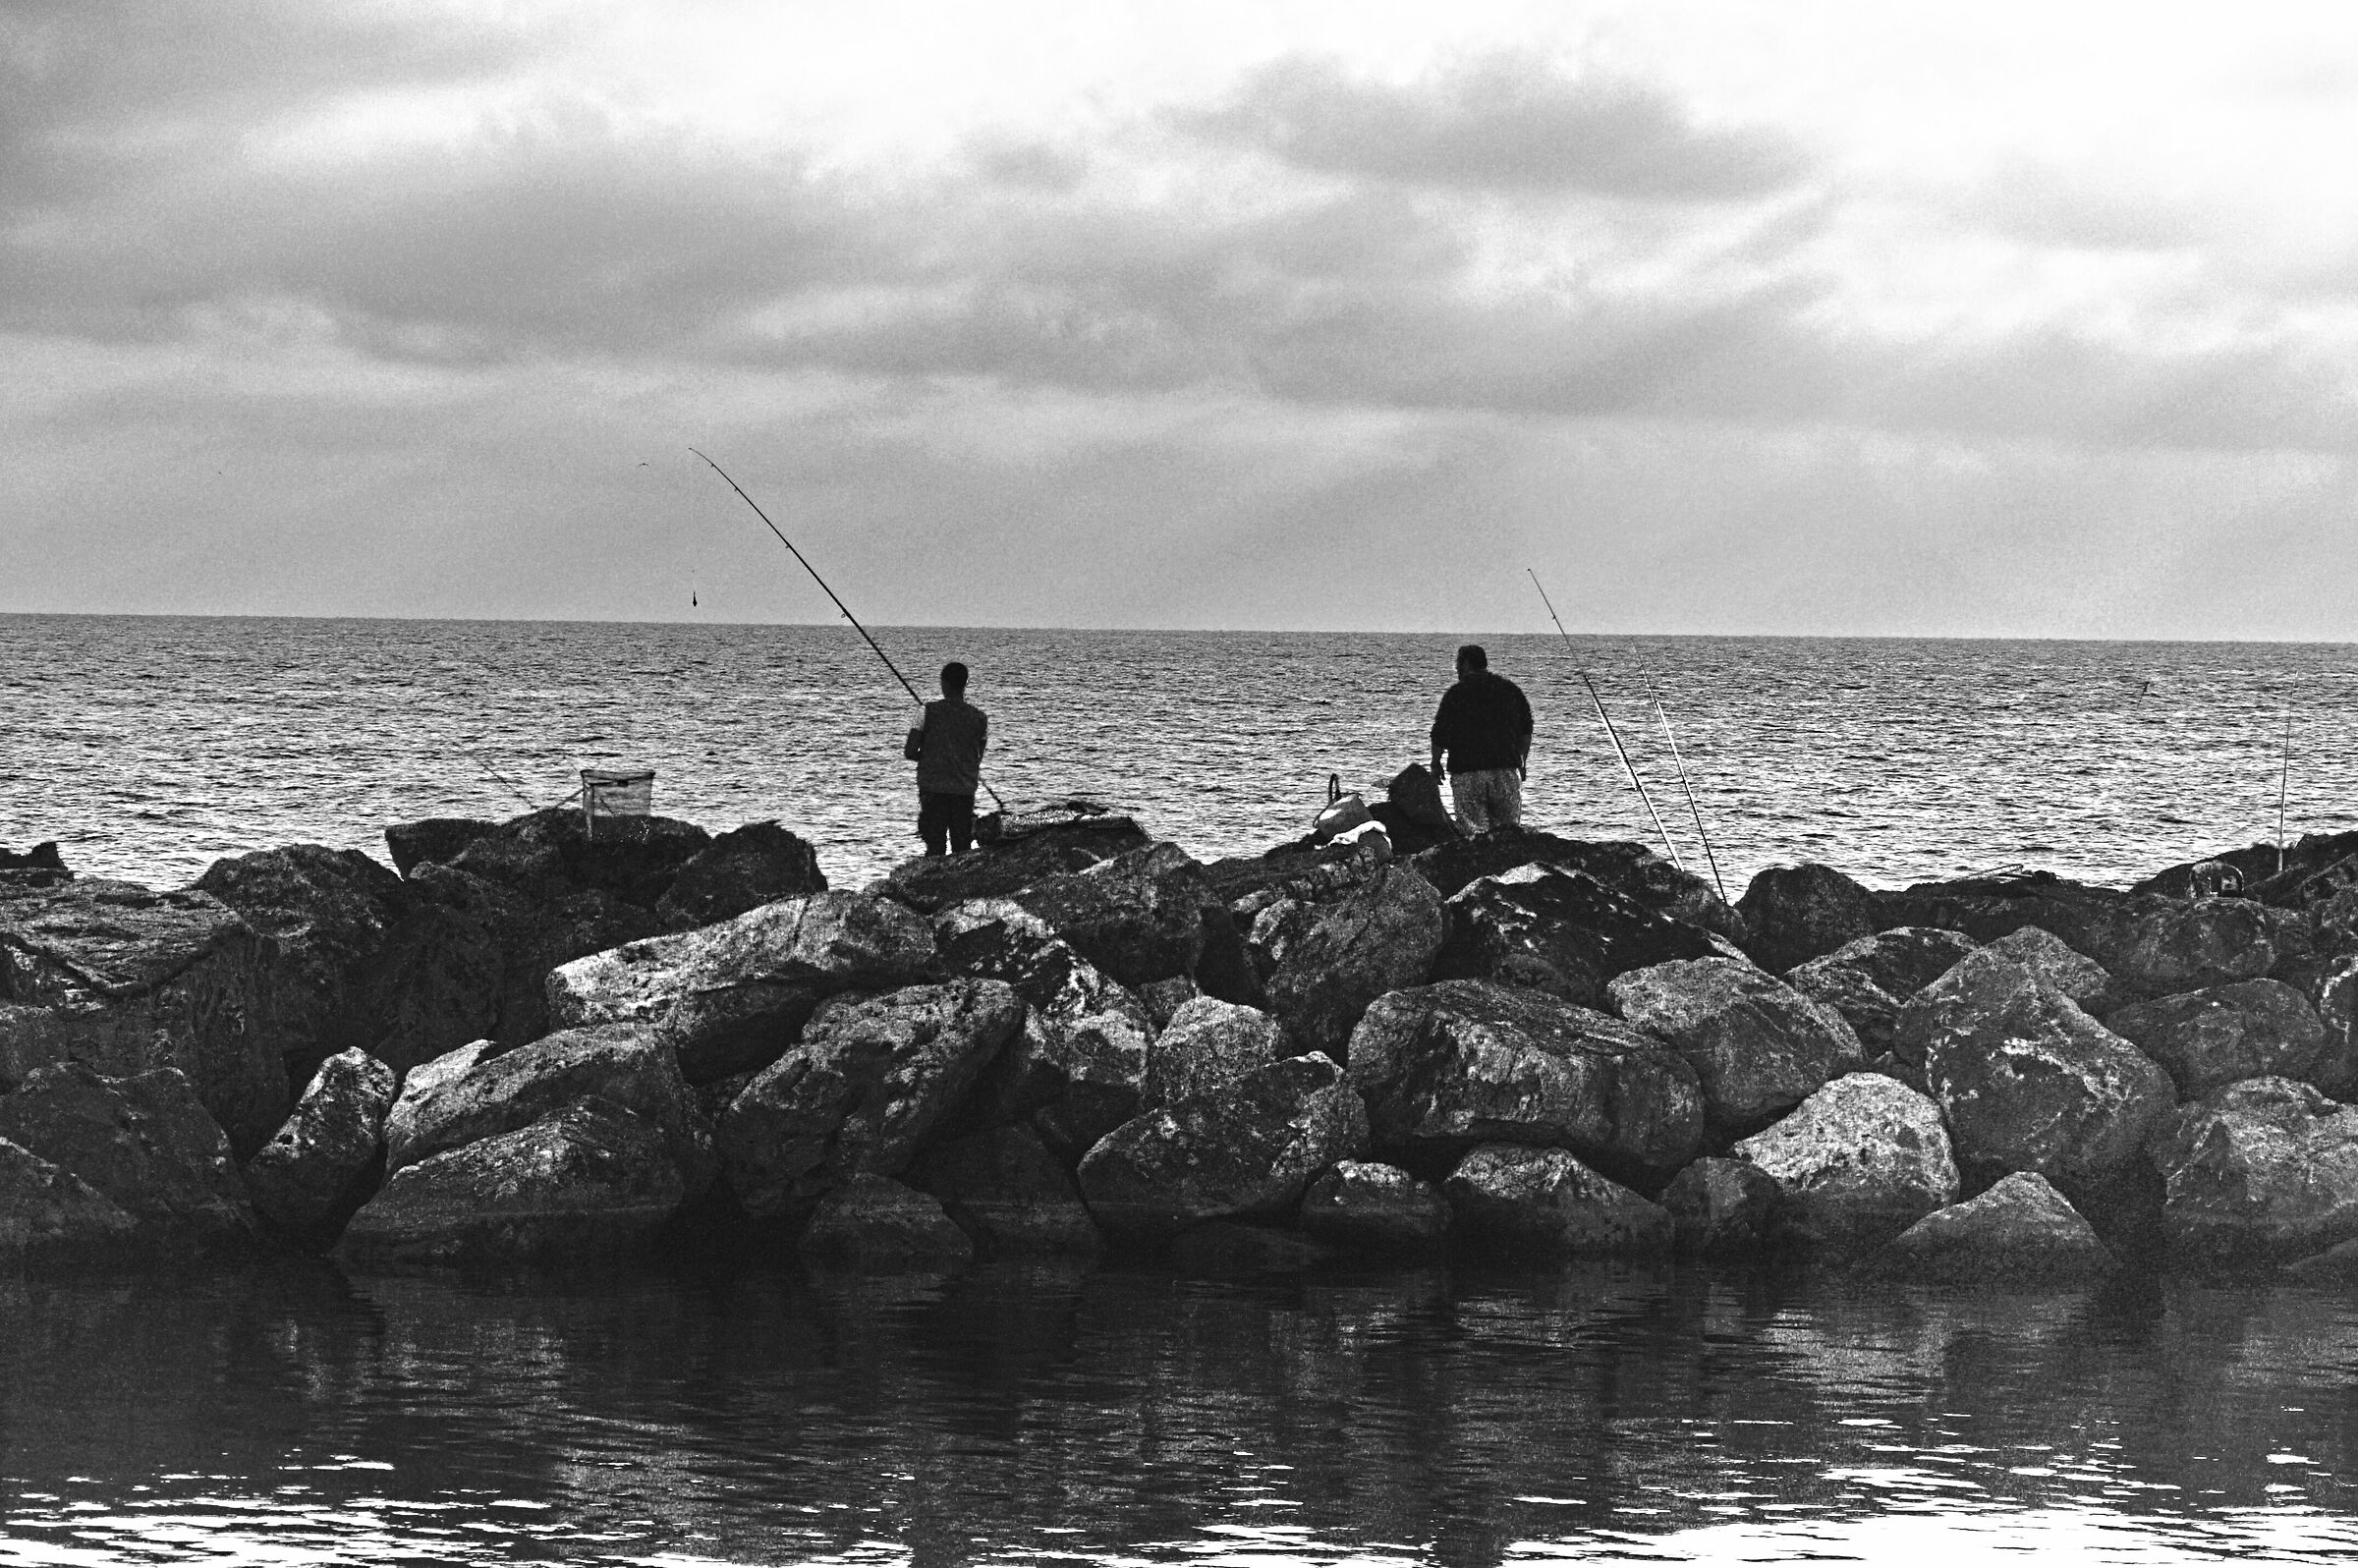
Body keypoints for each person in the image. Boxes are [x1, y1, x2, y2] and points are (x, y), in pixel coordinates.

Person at [1429, 643, 1532, 834]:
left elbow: (1439, 734)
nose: (1456, 668)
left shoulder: (1456, 694)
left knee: (1473, 833)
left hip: (1468, 773)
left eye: (1458, 663)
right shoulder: (1510, 690)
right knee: (1508, 834)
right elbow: (1526, 731)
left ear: (1466, 664)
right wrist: (1522, 763)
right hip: (1505, 771)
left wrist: (1436, 764)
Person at [906, 660, 988, 857]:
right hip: (964, 790)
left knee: (935, 847)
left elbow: (909, 751)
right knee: (962, 848)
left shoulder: (925, 712)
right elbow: (977, 756)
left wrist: (929, 756)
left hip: (933, 790)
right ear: (965, 684)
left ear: (943, 683)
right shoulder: (980, 718)